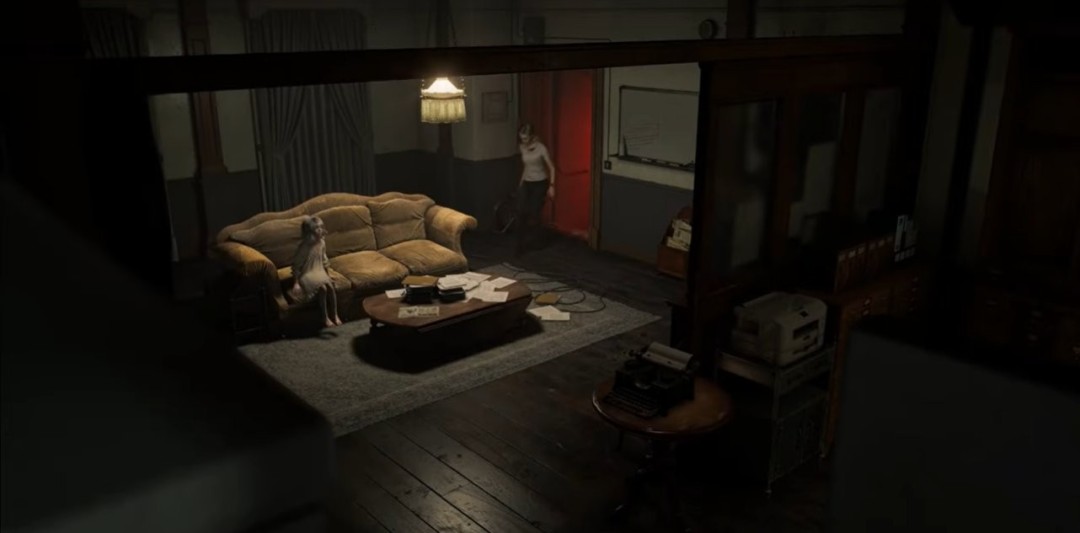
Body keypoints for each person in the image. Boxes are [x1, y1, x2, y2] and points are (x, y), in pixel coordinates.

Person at [289, 216, 342, 328]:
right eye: (317, 228)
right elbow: (296, 266)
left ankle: (335, 314)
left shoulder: (322, 243)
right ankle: (325, 317)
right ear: (310, 232)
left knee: (330, 286)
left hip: (319, 269)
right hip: (307, 272)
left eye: (321, 227)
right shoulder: (304, 247)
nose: (321, 230)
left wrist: (328, 275)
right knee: (322, 288)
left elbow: (324, 260)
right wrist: (296, 283)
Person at [516, 123, 556, 253]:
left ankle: (538, 241)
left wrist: (552, 186)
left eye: (526, 138)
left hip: (540, 183)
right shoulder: (522, 147)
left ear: (532, 136)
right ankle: (520, 244)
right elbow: (526, 167)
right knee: (521, 211)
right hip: (527, 182)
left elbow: (552, 167)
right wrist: (521, 183)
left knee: (534, 212)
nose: (524, 141)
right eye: (521, 138)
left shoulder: (541, 148)